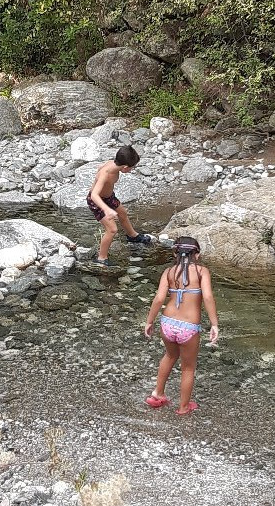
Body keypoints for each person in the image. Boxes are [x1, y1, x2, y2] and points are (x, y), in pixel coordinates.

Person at [144, 236, 219, 415]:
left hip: (167, 323)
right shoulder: (202, 272)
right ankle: (183, 407)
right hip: (189, 327)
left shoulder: (168, 272)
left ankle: (157, 394)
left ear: (174, 253)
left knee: (169, 356)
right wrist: (214, 324)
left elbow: (159, 298)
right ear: (197, 255)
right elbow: (207, 297)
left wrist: (149, 321)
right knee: (188, 367)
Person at [87, 145, 153, 266]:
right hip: (97, 202)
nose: (132, 170)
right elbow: (94, 195)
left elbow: (99, 166)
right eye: (132, 168)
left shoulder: (111, 163)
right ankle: (101, 258)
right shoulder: (105, 174)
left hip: (109, 197)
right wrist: (106, 210)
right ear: (125, 167)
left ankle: (132, 236)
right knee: (112, 229)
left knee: (123, 213)